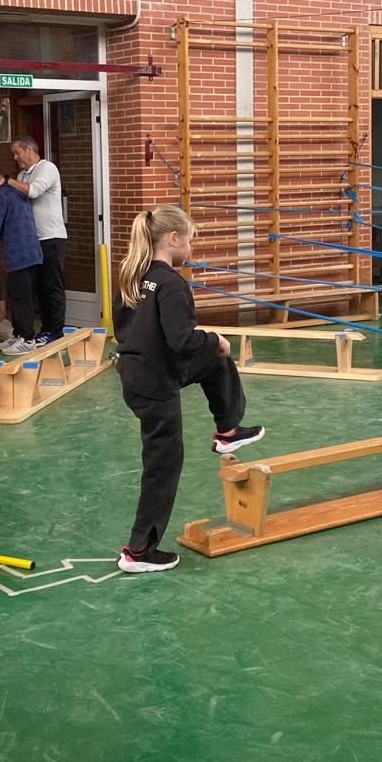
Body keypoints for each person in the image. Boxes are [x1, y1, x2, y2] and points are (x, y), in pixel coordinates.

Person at [113, 204, 265, 575]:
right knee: (163, 467)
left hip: (138, 373)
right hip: (155, 386)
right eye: (190, 240)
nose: (191, 248)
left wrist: (211, 348)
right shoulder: (171, 283)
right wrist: (215, 339)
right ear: (173, 238)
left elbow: (136, 331)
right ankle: (139, 551)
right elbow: (182, 340)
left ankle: (228, 431)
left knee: (215, 361)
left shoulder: (134, 275)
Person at [0, 163, 42, 355]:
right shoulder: (15, 191)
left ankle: (27, 339)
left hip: (18, 254)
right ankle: (19, 334)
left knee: (21, 298)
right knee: (20, 295)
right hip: (32, 252)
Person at [6, 135, 66, 346]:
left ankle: (55, 331)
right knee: (38, 287)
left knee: (52, 286)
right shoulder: (22, 174)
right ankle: (41, 330)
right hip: (33, 240)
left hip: (51, 237)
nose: (15, 158)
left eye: (17, 152)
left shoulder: (47, 168)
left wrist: (6, 181)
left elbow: (33, 191)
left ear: (29, 149)